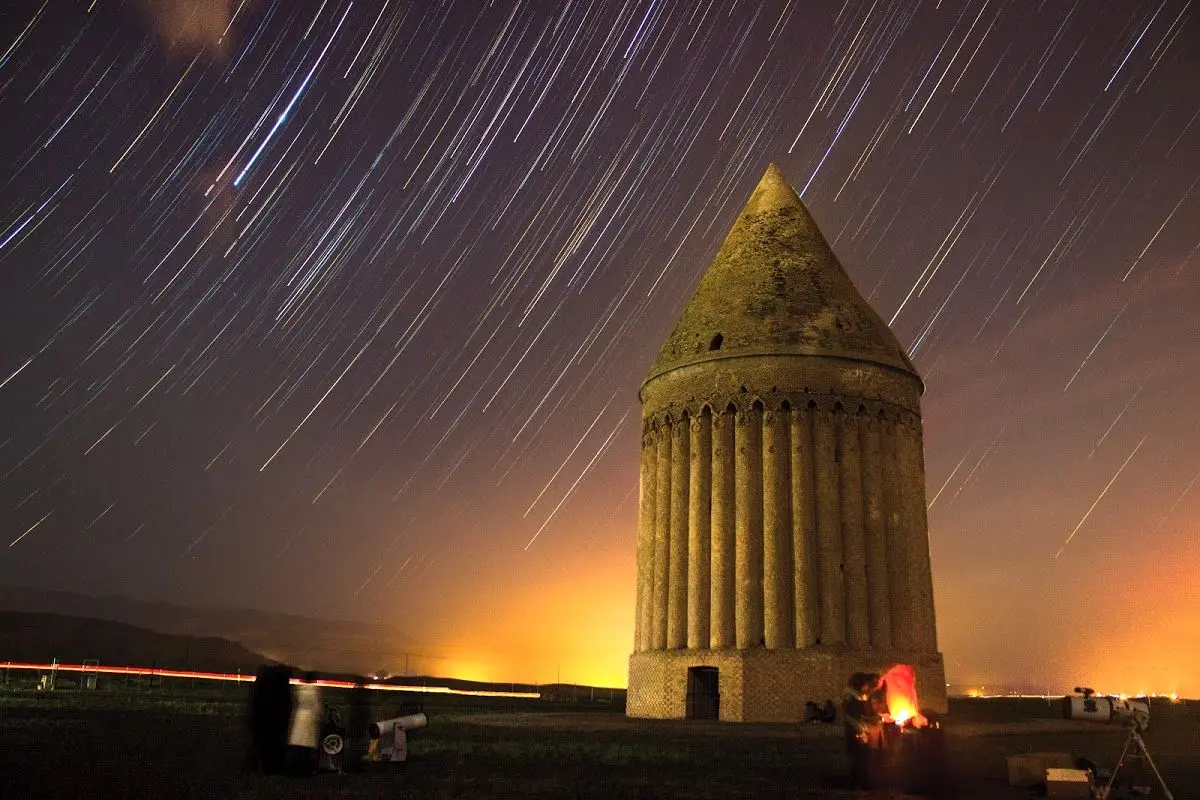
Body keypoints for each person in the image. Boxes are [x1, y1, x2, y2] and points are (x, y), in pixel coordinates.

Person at [843, 672, 883, 789]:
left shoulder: (859, 695)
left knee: (863, 756)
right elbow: (850, 715)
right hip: (856, 731)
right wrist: (860, 727)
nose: (868, 687)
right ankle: (858, 782)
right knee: (860, 756)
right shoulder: (850, 695)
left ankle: (860, 781)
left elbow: (862, 714)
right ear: (860, 683)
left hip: (861, 729)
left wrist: (874, 718)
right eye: (866, 684)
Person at [287, 671, 322, 776]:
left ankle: (293, 768)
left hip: (299, 716)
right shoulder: (314, 691)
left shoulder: (299, 690)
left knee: (297, 746)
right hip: (309, 718)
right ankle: (304, 769)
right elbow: (316, 707)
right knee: (306, 747)